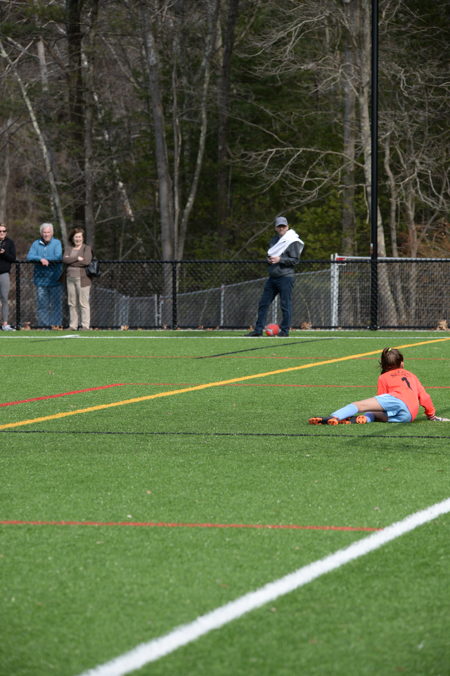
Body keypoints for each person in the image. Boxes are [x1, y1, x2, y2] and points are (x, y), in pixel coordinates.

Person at [309, 347, 449, 425]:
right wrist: (431, 415)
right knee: (374, 415)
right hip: (408, 416)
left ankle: (333, 417)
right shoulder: (411, 375)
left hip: (397, 401)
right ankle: (360, 419)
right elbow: (425, 397)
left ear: (383, 365)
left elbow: (382, 399)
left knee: (360, 405)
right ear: (402, 363)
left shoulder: (383, 377)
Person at [246, 216, 304, 337]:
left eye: (283, 226)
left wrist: (280, 259)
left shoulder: (293, 241)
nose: (281, 228)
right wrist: (269, 260)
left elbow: (295, 260)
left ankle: (285, 331)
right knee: (263, 303)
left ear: (287, 227)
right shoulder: (274, 240)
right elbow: (270, 255)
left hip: (286, 277)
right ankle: (258, 330)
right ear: (276, 228)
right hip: (272, 277)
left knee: (285, 305)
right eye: (279, 226)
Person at [26, 223, 63, 329]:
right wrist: (40, 259)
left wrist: (47, 260)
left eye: (48, 232)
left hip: (55, 279)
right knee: (42, 305)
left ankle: (56, 325)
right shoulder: (36, 243)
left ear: (52, 233)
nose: (46, 234)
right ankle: (44, 326)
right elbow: (29, 256)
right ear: (41, 233)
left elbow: (58, 256)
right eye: (44, 232)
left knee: (56, 305)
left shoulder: (57, 243)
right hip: (40, 280)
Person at [63, 227, 92, 330]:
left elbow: (86, 261)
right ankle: (73, 325)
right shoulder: (68, 248)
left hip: (83, 279)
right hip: (70, 278)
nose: (78, 239)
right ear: (73, 238)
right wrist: (76, 258)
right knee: (72, 303)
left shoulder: (86, 248)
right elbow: (65, 260)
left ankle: (85, 326)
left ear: (82, 238)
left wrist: (71, 261)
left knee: (83, 303)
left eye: (80, 237)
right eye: (76, 237)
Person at [0, 223, 16, 331]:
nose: (1, 233)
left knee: (4, 298)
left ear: (6, 232)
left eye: (3, 231)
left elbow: (13, 258)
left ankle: (5, 324)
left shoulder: (10, 243)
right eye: (0, 231)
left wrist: (4, 253)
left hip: (4, 274)